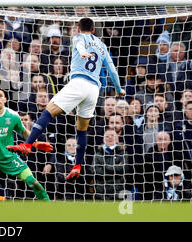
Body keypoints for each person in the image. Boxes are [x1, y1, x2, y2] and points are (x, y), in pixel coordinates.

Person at [8, 18, 125, 181]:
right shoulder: (103, 46)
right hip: (93, 90)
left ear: (78, 29)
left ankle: (27, 144)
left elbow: (79, 45)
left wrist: (83, 52)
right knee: (82, 129)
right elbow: (112, 70)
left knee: (48, 111)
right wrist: (119, 89)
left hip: (78, 82)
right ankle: (77, 165)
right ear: (93, 30)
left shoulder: (78, 38)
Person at [90, 128, 132, 200]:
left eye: (112, 135)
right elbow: (94, 171)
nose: (110, 138)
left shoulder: (123, 153)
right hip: (100, 195)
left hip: (118, 195)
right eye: (107, 136)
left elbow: (123, 169)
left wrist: (104, 166)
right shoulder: (97, 154)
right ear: (103, 139)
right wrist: (115, 169)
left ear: (117, 138)